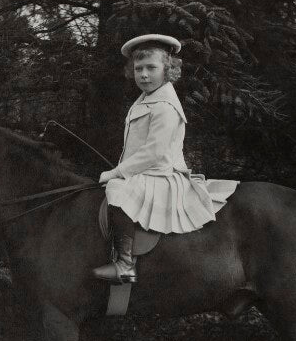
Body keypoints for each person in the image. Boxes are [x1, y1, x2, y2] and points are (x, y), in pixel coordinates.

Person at [92, 34, 238, 284]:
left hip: (160, 173)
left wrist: (117, 173)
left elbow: (154, 152)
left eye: (152, 68)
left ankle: (125, 264)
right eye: (139, 69)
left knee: (117, 189)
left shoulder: (165, 106)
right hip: (147, 171)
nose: (144, 75)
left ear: (167, 70)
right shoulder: (145, 100)